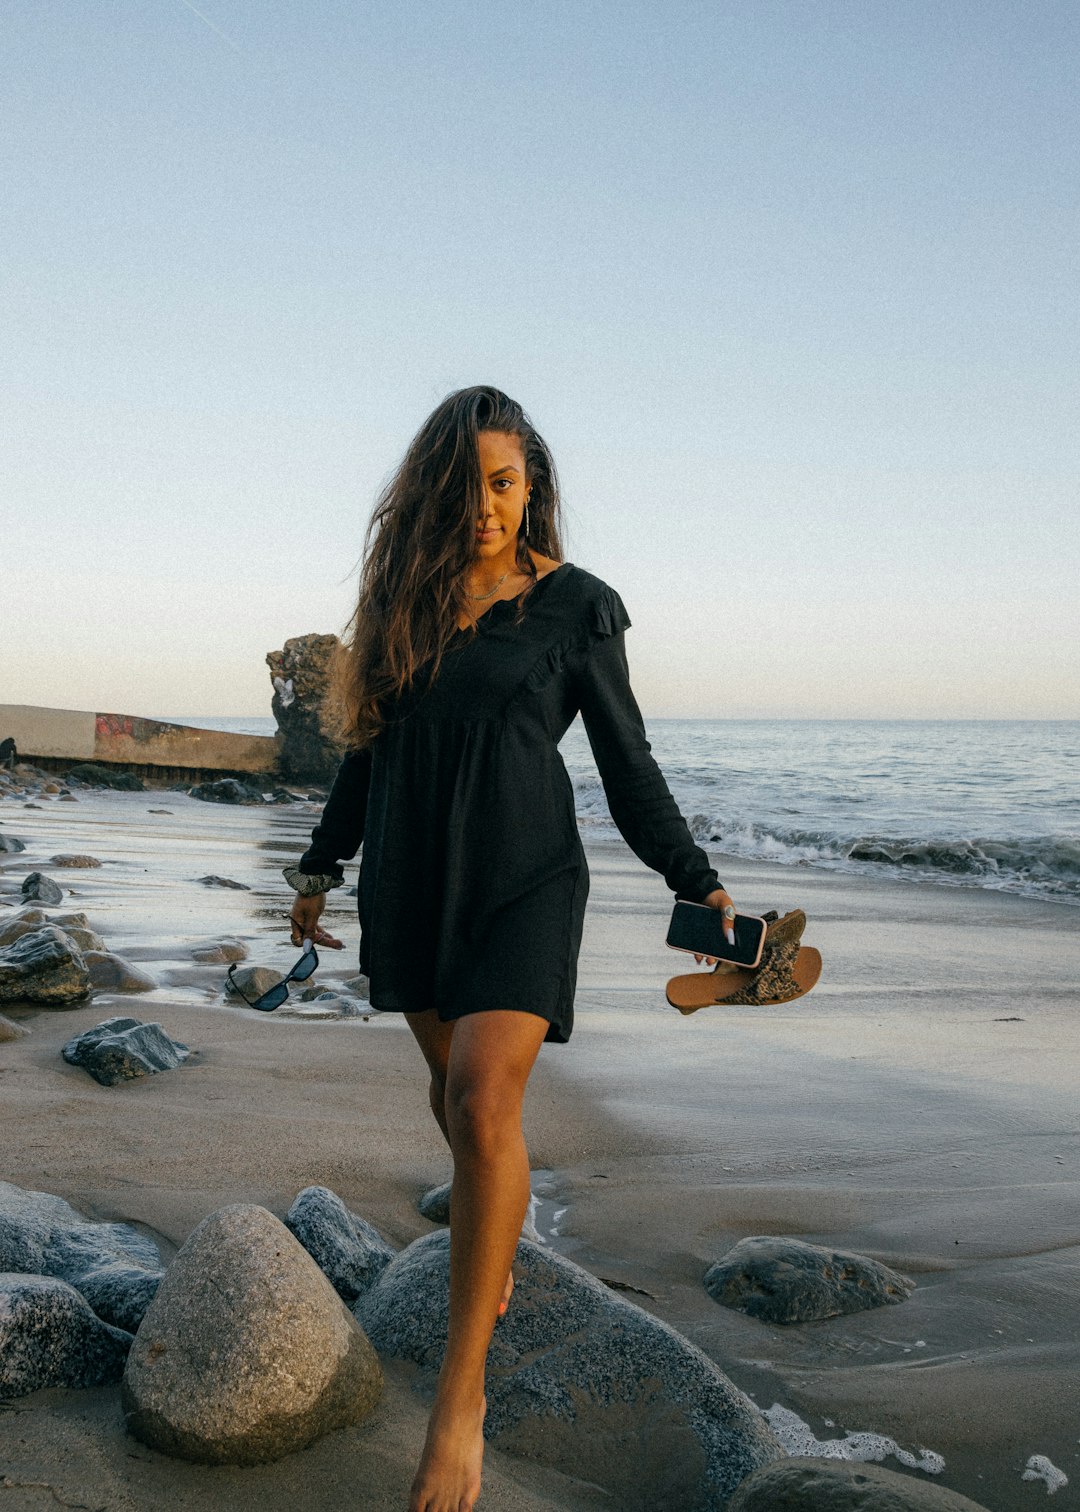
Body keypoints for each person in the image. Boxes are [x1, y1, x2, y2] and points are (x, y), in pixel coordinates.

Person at [283, 385, 736, 1512]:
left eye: (502, 481)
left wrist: (699, 880)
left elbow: (629, 768)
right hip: (410, 881)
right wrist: (318, 867)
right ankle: (491, 1234)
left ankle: (459, 1401)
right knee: (456, 1098)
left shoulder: (577, 609)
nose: (483, 505)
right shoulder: (403, 607)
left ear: (531, 484)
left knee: (484, 1102)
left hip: (528, 882)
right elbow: (365, 757)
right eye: (464, 484)